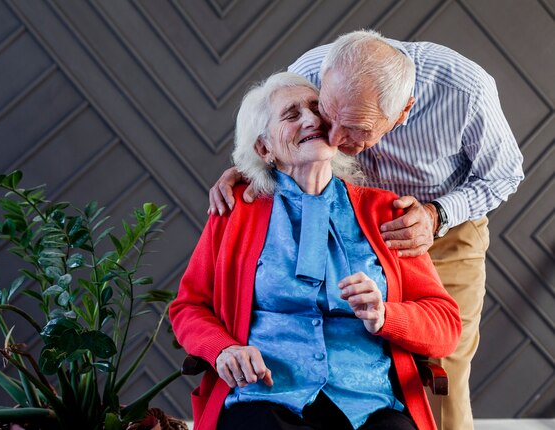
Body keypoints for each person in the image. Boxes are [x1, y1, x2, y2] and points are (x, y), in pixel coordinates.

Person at [207, 30, 524, 429]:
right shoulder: (313, 70)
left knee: (446, 361)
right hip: (332, 206)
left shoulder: (465, 90)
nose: (334, 139)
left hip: (442, 224)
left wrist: (435, 215)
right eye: (329, 115)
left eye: (355, 127)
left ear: (404, 111)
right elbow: (275, 126)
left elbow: (504, 174)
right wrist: (248, 167)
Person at [170, 72, 461, 430]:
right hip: (265, 397)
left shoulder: (387, 212)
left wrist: (386, 314)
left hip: (368, 402)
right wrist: (222, 348)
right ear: (265, 149)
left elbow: (445, 323)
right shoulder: (236, 212)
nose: (310, 119)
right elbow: (189, 306)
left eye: (316, 108)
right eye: (291, 115)